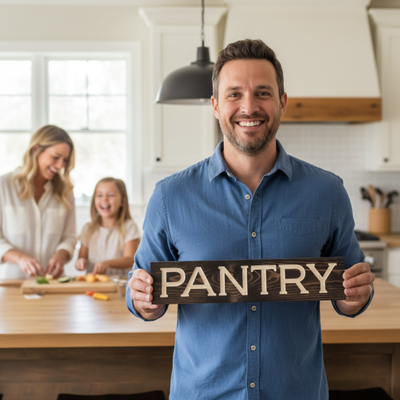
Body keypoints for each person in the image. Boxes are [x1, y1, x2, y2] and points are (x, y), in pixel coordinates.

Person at [126, 39, 375, 399]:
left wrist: (354, 297)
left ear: (282, 102)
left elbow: (350, 292)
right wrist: (143, 299)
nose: (248, 106)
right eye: (233, 95)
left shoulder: (328, 192)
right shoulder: (170, 196)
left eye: (262, 93)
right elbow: (141, 291)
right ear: (214, 105)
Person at [0, 125, 76, 279]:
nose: (60, 165)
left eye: (65, 160)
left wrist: (61, 255)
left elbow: (70, 236)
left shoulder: (65, 191)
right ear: (36, 150)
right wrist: (20, 258)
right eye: (55, 157)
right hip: (13, 283)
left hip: (53, 283)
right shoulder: (4, 186)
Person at [75, 177, 140, 277]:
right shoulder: (88, 228)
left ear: (122, 201)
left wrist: (107, 263)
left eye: (111, 195)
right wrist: (81, 262)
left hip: (119, 285)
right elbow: (82, 257)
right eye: (99, 195)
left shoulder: (129, 227)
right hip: (93, 284)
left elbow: (130, 259)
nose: (104, 199)